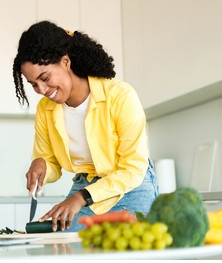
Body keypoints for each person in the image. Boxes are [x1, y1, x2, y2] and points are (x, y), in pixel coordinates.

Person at [12, 20, 159, 232]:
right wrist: (42, 165)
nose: (42, 89)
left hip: (131, 187)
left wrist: (81, 198)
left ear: (65, 62)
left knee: (129, 253)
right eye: (34, 84)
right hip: (85, 186)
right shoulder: (46, 109)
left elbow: (133, 168)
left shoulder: (119, 96)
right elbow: (52, 162)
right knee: (60, 247)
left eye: (44, 78)